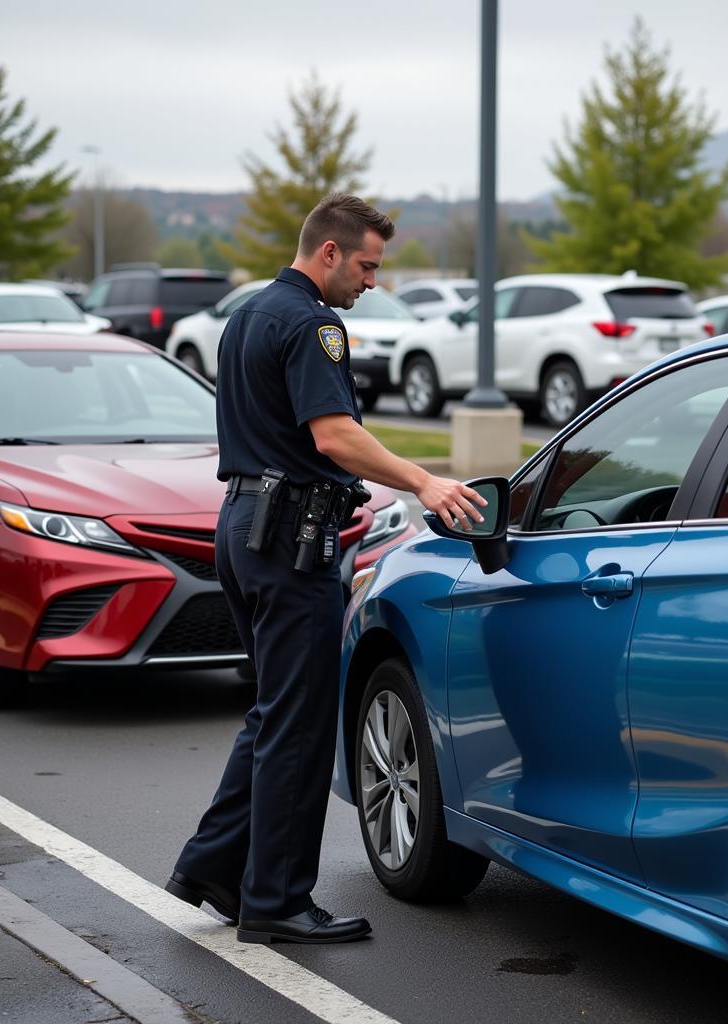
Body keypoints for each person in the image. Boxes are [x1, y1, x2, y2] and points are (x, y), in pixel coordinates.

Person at [166, 192, 486, 945]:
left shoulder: (247, 314)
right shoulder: (315, 323)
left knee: (275, 713)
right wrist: (424, 481)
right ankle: (276, 901)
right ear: (332, 252)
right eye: (368, 266)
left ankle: (213, 867)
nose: (372, 283)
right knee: (302, 724)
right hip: (288, 545)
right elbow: (335, 434)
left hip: (245, 528)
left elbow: (280, 436)